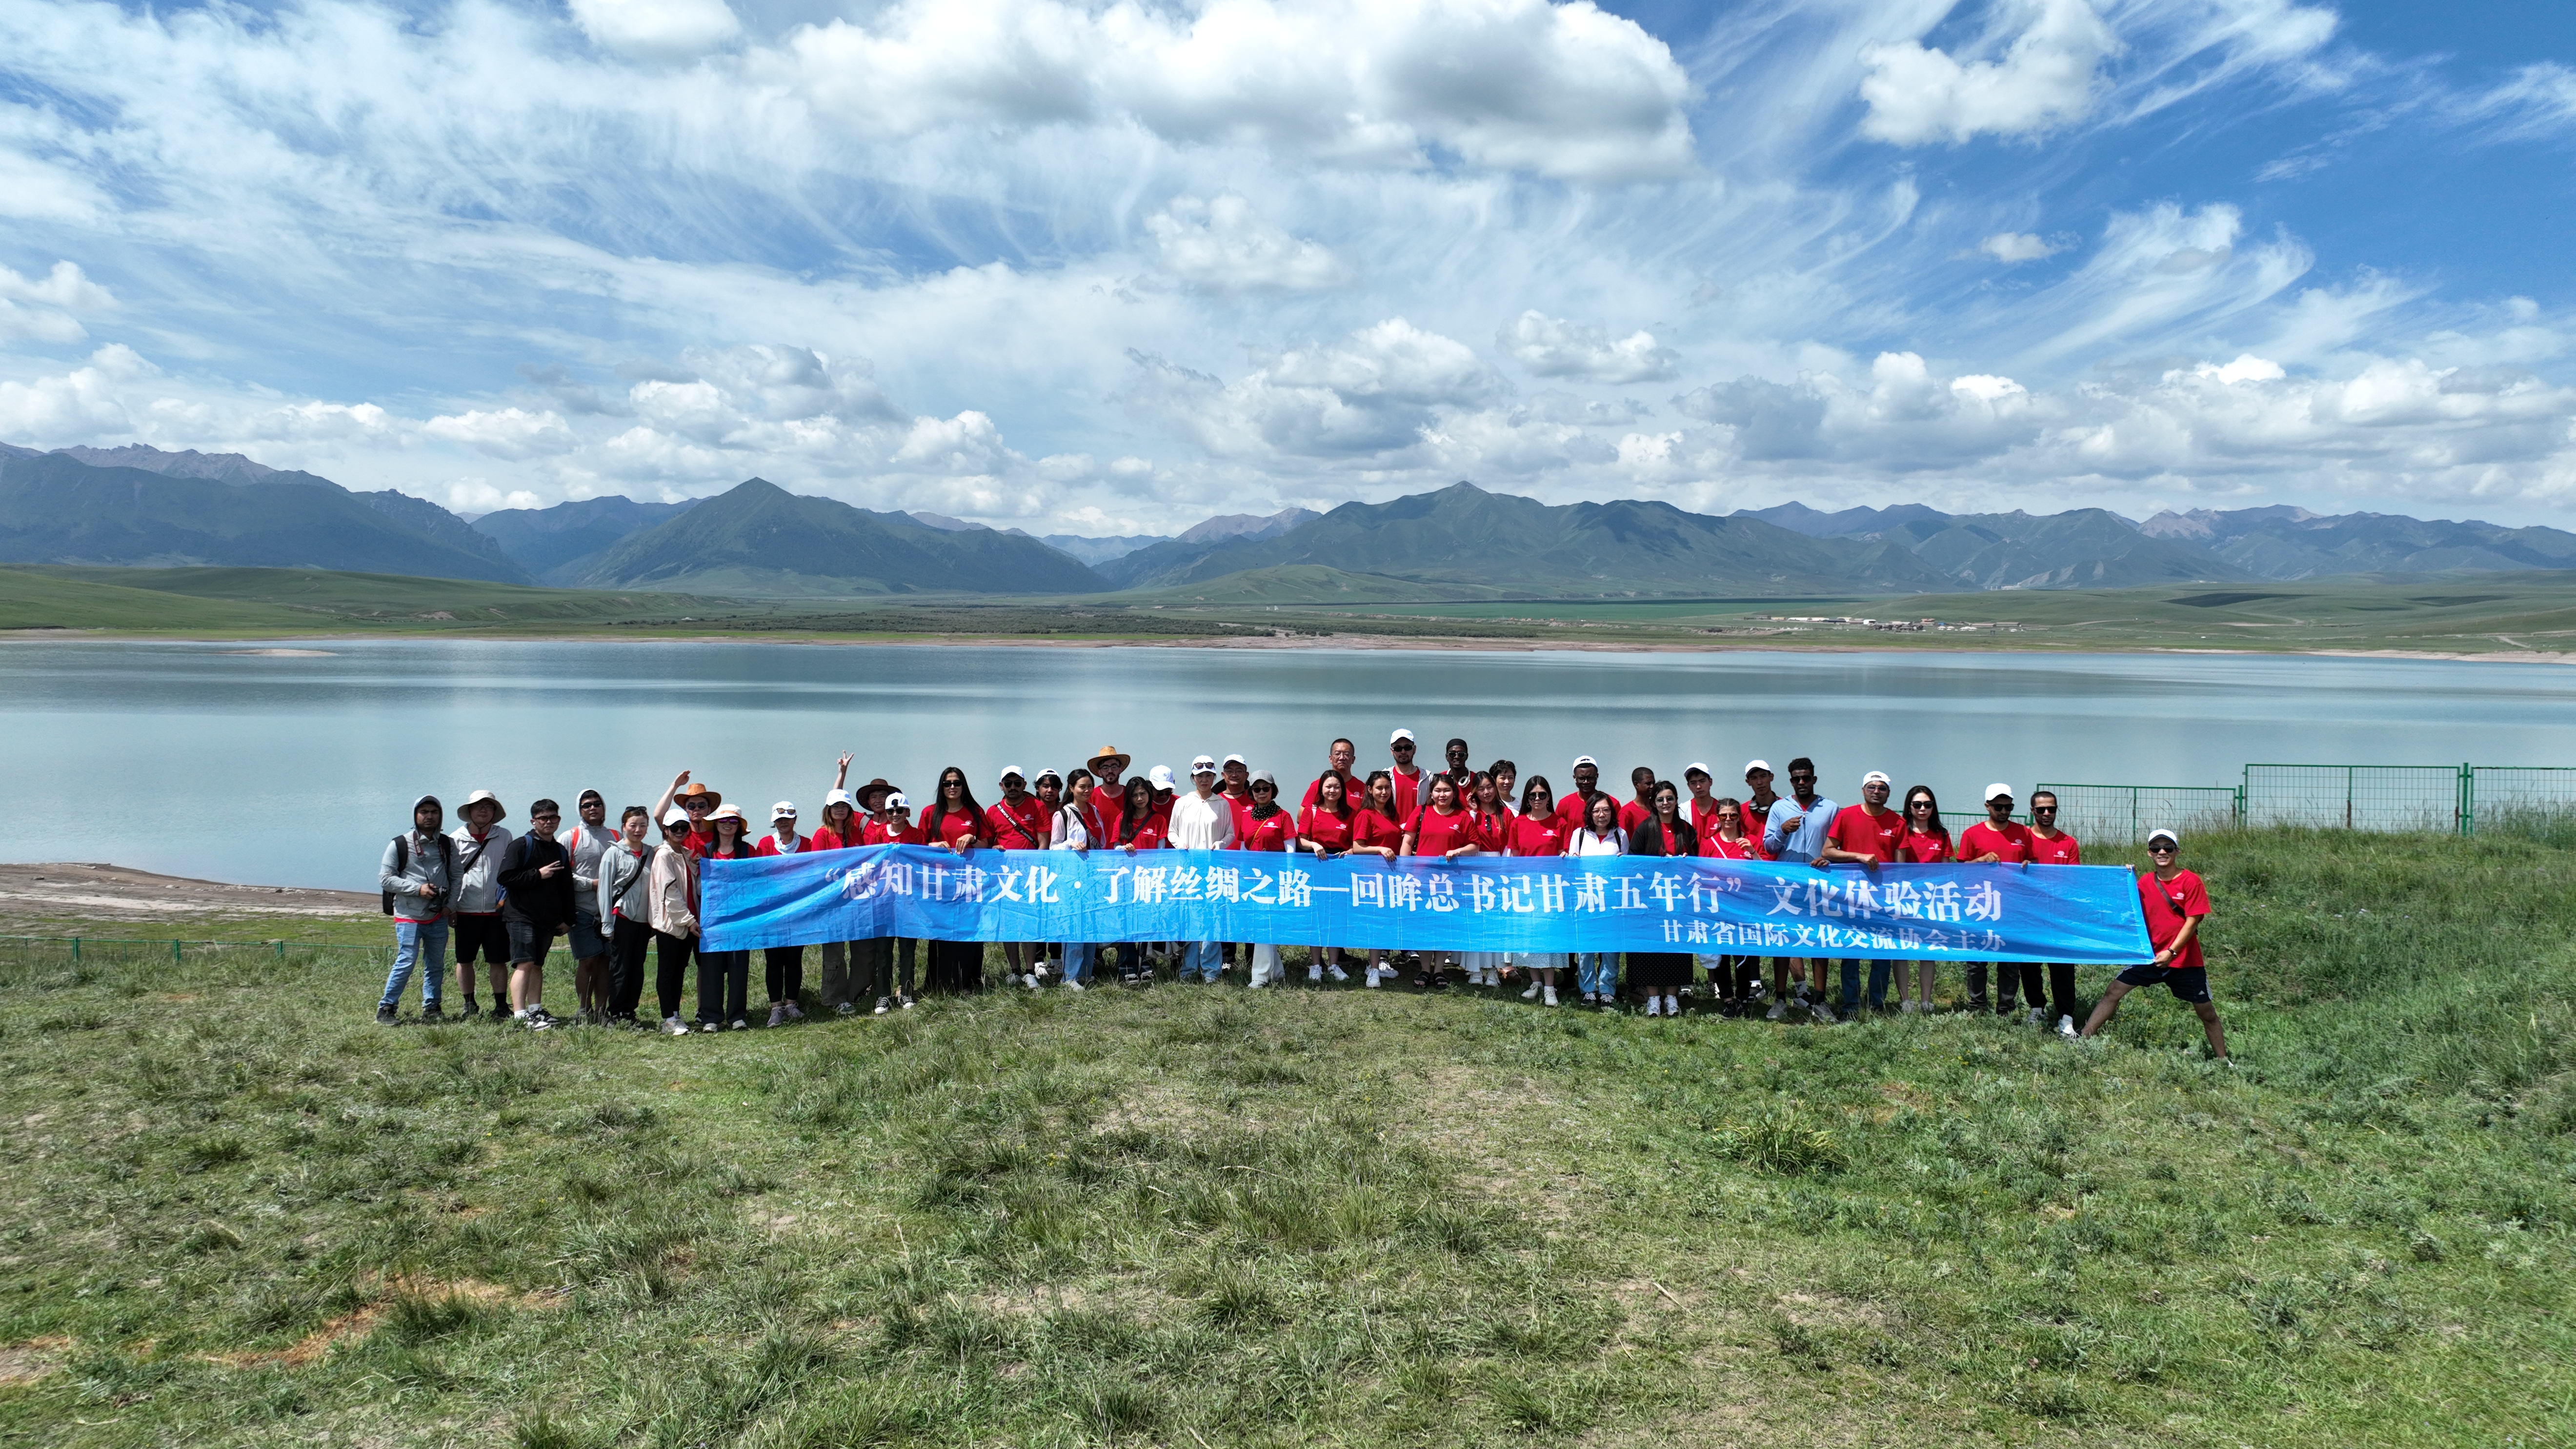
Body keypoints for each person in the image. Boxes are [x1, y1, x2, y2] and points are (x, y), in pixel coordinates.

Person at [2080, 828, 2225, 1060]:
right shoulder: (2146, 881)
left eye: (2168, 848)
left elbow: (2193, 921)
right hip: (2149, 957)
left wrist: (2172, 951)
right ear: (2149, 853)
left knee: (2206, 1013)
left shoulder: (2191, 881)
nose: (2162, 852)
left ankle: (2223, 1061)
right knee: (2113, 992)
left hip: (2185, 961)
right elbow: (2123, 903)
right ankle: (2083, 1040)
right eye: (2156, 848)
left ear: (2177, 851)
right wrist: (2126, 877)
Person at [1760, 758, 1841, 1024]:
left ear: (1814, 779)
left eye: (1806, 778)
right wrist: (1783, 831)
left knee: (1819, 940)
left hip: (1819, 884)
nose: (1802, 783)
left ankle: (1819, 1000)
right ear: (1791, 781)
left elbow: (1837, 846)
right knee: (1784, 940)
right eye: (1797, 779)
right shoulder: (1779, 808)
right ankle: (1781, 999)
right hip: (1787, 884)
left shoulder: (1830, 808)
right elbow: (1769, 847)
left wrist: (1830, 858)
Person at [1822, 771, 1905, 1015]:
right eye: (1872, 787)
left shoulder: (1898, 823)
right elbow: (1828, 851)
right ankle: (1850, 1006)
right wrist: (1858, 857)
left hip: (1882, 898)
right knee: (1851, 953)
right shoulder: (1846, 816)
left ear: (1888, 793)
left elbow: (1900, 867)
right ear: (1863, 791)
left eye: (1882, 788)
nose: (1876, 792)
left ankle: (1876, 1005)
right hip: (1851, 896)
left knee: (1881, 954)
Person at [376, 794, 455, 1024]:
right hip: (408, 915)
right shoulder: (400, 844)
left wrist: (451, 905)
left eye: (434, 812)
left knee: (436, 964)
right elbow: (385, 879)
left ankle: (432, 1008)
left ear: (440, 816)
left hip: (438, 915)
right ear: (415, 815)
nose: (429, 816)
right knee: (406, 961)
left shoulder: (447, 844)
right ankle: (387, 1008)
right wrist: (417, 889)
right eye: (424, 812)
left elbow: (456, 876)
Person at [498, 798, 575, 1030]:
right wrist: (536, 875)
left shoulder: (560, 850)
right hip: (520, 915)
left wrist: (569, 919)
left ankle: (535, 1009)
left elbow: (566, 888)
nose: (548, 822)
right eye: (543, 818)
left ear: (559, 820)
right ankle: (521, 1015)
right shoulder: (522, 845)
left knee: (537, 965)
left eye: (553, 818)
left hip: (547, 918)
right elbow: (505, 877)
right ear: (534, 821)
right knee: (525, 963)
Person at [1961, 784, 2035, 1016]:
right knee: (1977, 961)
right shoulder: (1972, 835)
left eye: (2008, 806)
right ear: (1987, 806)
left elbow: (2032, 863)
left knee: (2010, 961)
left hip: (2012, 906)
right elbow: (1961, 870)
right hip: (1980, 905)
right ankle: (1978, 1007)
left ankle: (2006, 1008)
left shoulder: (2023, 833)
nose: (2004, 811)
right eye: (1998, 806)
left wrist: (2029, 865)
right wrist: (1980, 860)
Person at [1625, 780, 1696, 1017]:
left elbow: (1698, 864)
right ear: (1653, 804)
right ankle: (1654, 998)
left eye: (1670, 799)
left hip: (1678, 901)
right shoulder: (1645, 828)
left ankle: (1673, 997)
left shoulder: (1686, 830)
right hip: (1651, 900)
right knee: (1651, 949)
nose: (1666, 804)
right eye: (1660, 800)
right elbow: (1632, 860)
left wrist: (1686, 861)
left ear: (1676, 801)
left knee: (1675, 948)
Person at [1404, 773, 1482, 989]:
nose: (1442, 794)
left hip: (1450, 882)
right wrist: (1405, 870)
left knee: (1444, 926)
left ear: (1454, 793)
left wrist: (1458, 851)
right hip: (1422, 879)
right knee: (1425, 925)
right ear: (1431, 793)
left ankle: (1440, 971)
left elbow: (1474, 847)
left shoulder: (1463, 816)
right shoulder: (1421, 812)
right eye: (1437, 791)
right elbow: (1408, 842)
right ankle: (1424, 969)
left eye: (1447, 790)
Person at [921, 766, 991, 994]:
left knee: (969, 932)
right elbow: (916, 846)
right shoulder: (930, 813)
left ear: (964, 786)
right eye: (947, 783)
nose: (952, 787)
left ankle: (969, 982)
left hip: (969, 883)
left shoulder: (975, 812)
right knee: (941, 932)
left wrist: (972, 838)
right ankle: (938, 985)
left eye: (957, 783)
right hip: (940, 884)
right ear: (941, 787)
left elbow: (987, 845)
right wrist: (932, 845)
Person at [1167, 756, 1237, 984]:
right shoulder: (1182, 802)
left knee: (1212, 920)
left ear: (1214, 777)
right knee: (1189, 920)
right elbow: (1172, 832)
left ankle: (1211, 971)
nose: (1204, 780)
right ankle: (1188, 970)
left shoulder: (1222, 803)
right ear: (1193, 778)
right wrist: (1180, 845)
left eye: (1208, 776)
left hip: (1213, 870)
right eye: (1199, 776)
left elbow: (1230, 833)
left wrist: (1221, 844)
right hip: (1187, 870)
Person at [447, 789, 514, 1022]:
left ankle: (501, 1005)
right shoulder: (455, 839)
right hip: (465, 909)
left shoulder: (504, 836)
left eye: (488, 806)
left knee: (498, 959)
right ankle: (469, 1003)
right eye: (478, 806)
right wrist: (451, 907)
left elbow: (510, 872)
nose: (483, 810)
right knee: (464, 959)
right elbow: (451, 876)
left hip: (496, 911)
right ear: (470, 811)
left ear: (495, 811)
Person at [2025, 791, 2085, 1036]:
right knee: (2029, 966)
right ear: (2033, 812)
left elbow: (2075, 879)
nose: (2047, 814)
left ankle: (2066, 1017)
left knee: (2062, 968)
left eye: (2051, 809)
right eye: (2041, 810)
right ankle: (2037, 1007)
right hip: (2029, 914)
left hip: (2060, 917)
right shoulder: (2022, 838)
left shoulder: (2068, 843)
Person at [1239, 770, 1306, 986]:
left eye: (1265, 788)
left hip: (1275, 879)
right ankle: (1277, 971)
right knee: (1262, 924)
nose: (1261, 793)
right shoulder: (1246, 816)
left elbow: (1290, 850)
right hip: (1252, 879)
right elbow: (1243, 847)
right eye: (1256, 789)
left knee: (1265, 923)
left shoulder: (1283, 816)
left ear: (1273, 791)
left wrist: (1287, 876)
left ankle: (1260, 976)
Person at [812, 755, 867, 1017]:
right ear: (828, 810)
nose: (840, 810)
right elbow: (816, 870)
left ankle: (855, 994)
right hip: (832, 903)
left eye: (845, 806)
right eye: (835, 807)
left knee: (859, 950)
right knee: (834, 953)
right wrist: (841, 773)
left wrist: (844, 774)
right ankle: (834, 999)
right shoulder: (822, 835)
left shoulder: (855, 831)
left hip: (856, 899)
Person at [1697, 797, 1763, 1014]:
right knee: (1722, 956)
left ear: (1739, 817)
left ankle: (1744, 999)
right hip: (1718, 908)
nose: (1728, 819)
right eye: (1724, 815)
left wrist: (1753, 852)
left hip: (1745, 908)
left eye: (1733, 815)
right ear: (1718, 818)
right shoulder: (1709, 843)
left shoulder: (1751, 841)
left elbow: (1766, 874)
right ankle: (1727, 999)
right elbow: (1700, 875)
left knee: (1744, 954)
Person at [987, 766, 1052, 987]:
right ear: (1001, 786)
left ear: (1025, 785)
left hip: (1030, 875)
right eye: (1008, 784)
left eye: (1017, 783)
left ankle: (1029, 970)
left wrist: (1036, 868)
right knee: (1008, 923)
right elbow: (989, 842)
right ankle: (1014, 970)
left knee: (1028, 923)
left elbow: (1044, 842)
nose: (1013, 787)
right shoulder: (993, 811)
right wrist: (994, 847)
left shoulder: (1037, 806)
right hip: (1004, 877)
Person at [697, 804, 756, 1030]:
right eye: (723, 821)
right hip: (713, 919)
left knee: (738, 967)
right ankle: (711, 1017)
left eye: (733, 822)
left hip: (741, 919)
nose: (728, 825)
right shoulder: (705, 851)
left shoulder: (749, 852)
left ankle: (737, 1016)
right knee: (711, 968)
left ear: (739, 827)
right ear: (716, 825)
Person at [1894, 786, 1953, 1013]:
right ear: (1909, 807)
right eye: (1917, 805)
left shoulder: (1942, 834)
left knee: (1928, 949)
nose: (1922, 809)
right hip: (1904, 898)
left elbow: (1947, 870)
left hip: (1931, 900)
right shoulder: (1902, 831)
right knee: (1903, 949)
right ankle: (1905, 1001)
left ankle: (1926, 1001)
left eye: (1927, 805)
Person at [1297, 771, 1359, 982]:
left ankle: (1333, 965)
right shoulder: (1312, 812)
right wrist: (1314, 844)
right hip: (1316, 868)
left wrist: (1351, 851)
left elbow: (1356, 843)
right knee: (1316, 917)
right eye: (1328, 787)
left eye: (1337, 787)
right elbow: (1301, 841)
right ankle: (1315, 965)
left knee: (1335, 917)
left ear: (1342, 791)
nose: (1332, 791)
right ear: (1321, 789)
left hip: (1340, 870)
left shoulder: (1350, 813)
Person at [1508, 777, 1565, 1006]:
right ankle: (1535, 983)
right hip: (1525, 888)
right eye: (1533, 795)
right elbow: (1512, 855)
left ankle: (1550, 988)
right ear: (1527, 799)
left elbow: (1564, 852)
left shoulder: (1559, 823)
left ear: (1549, 797)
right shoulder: (1518, 823)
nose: (1538, 799)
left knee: (1547, 938)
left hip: (1550, 889)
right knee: (1529, 938)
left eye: (1542, 795)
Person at [752, 802, 810, 1026]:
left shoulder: (807, 844)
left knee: (795, 959)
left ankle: (792, 1004)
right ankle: (776, 1008)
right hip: (773, 912)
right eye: (780, 818)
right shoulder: (765, 844)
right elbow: (759, 874)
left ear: (795, 820)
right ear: (774, 821)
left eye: (789, 817)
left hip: (798, 911)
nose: (784, 821)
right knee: (774, 960)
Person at [561, 789, 616, 1025]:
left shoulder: (615, 835)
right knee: (588, 961)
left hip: (610, 912)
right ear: (579, 810)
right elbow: (562, 876)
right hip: (582, 910)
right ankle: (584, 1010)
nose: (592, 808)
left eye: (597, 804)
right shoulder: (569, 837)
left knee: (605, 962)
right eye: (586, 805)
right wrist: (592, 884)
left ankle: (602, 1012)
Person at [866, 793, 925, 1011]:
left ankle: (907, 993)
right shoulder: (877, 834)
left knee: (908, 950)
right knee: (883, 950)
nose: (895, 815)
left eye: (899, 810)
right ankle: (883, 994)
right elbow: (869, 865)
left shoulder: (916, 835)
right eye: (891, 811)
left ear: (907, 812)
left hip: (909, 901)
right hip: (883, 901)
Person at [1105, 777, 1165, 984]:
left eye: (1143, 794)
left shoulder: (1159, 820)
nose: (1140, 799)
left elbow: (1161, 852)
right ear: (1129, 798)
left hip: (1149, 881)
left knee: (1147, 924)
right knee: (1128, 926)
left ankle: (1147, 966)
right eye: (1135, 795)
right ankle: (1128, 968)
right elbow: (1114, 849)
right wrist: (1123, 849)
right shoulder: (1122, 819)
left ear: (1150, 795)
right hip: (1126, 882)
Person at [598, 805, 655, 1026]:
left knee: (637, 968)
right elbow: (604, 890)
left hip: (643, 921)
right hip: (621, 919)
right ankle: (616, 1012)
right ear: (624, 827)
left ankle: (630, 1011)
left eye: (643, 825)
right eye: (633, 825)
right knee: (620, 968)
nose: (638, 830)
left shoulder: (651, 853)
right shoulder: (613, 853)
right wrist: (606, 924)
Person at [1567, 794, 1626, 1006]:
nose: (1602, 815)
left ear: (1612, 813)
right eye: (1597, 811)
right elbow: (1572, 865)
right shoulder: (1580, 835)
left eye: (1606, 810)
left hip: (1612, 901)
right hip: (1586, 899)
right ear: (1590, 813)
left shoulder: (1620, 835)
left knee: (1610, 948)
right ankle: (1588, 990)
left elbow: (1626, 869)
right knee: (1586, 949)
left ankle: (1608, 989)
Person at [647, 809, 699, 1036]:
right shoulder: (664, 855)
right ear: (665, 831)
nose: (680, 832)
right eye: (674, 828)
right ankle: (667, 1019)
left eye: (683, 827)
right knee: (667, 972)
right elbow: (670, 894)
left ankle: (675, 1014)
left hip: (687, 922)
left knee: (679, 971)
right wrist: (689, 921)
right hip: (672, 923)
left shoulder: (686, 854)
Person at [1458, 772, 1512, 987]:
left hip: (1498, 867)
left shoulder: (1505, 814)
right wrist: (1471, 812)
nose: (1487, 792)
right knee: (1474, 919)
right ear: (1474, 792)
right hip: (1473, 866)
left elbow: (1510, 844)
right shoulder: (1468, 814)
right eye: (1481, 789)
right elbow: (1465, 839)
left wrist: (1505, 871)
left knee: (1494, 921)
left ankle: (1493, 969)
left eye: (1489, 787)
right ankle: (1474, 970)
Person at [1350, 771, 1404, 986]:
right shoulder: (1366, 815)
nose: (1384, 792)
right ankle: (1373, 970)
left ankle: (1378, 964)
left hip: (1392, 876)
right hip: (1373, 876)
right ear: (1370, 790)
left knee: (1385, 922)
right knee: (1375, 921)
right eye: (1379, 788)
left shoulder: (1392, 815)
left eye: (1387, 788)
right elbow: (1357, 847)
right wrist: (1381, 849)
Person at [1050, 767, 1096, 991]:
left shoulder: (1094, 811)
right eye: (1082, 787)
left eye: (1090, 786)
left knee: (1090, 925)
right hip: (1071, 879)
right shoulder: (1063, 814)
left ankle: (1086, 973)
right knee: (1075, 926)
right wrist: (1070, 845)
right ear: (1071, 788)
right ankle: (1069, 977)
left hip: (1093, 877)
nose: (1087, 790)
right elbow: (1053, 847)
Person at [1299, 737, 1362, 813]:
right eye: (1337, 754)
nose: (1342, 758)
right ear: (1330, 758)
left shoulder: (1362, 789)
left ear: (1353, 759)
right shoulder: (1319, 785)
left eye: (1347, 754)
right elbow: (1302, 816)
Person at [1553, 757, 1609, 836]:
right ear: (1574, 778)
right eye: (1582, 778)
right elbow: (1557, 833)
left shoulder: (1610, 803)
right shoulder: (1564, 805)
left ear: (1597, 777)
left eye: (1590, 778)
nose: (1586, 782)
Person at [1419, 736, 1473, 815]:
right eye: (1452, 754)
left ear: (1467, 756)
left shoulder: (1476, 780)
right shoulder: (1438, 779)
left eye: (1461, 754)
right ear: (1447, 757)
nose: (1457, 757)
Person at [1387, 730, 1426, 830]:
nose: (1403, 752)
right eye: (1398, 748)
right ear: (1392, 751)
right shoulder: (1384, 777)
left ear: (1414, 749)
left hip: (1419, 835)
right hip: (1392, 834)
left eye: (1407, 747)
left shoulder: (1427, 778)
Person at [1618, 765, 1657, 832]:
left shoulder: (1658, 807)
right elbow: (1621, 840)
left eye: (1653, 783)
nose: (1652, 786)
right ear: (1636, 785)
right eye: (1648, 783)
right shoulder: (1627, 812)